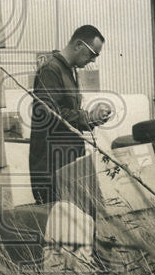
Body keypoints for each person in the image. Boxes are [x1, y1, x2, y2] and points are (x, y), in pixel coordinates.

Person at [28, 25, 111, 205]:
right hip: (52, 166)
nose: (93, 61)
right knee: (61, 224)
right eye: (92, 54)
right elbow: (49, 114)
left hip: (66, 161)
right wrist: (87, 117)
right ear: (78, 45)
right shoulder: (50, 70)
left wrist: (92, 117)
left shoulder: (67, 70)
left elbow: (65, 111)